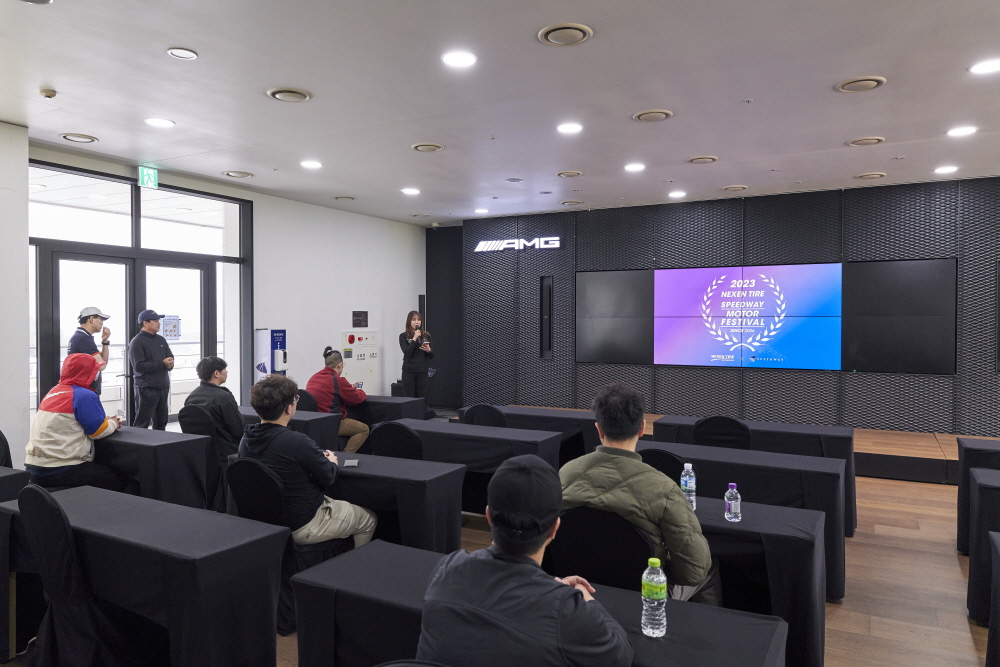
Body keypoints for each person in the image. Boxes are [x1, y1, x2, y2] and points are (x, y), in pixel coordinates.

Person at [416, 455, 633, 667]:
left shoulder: (447, 569)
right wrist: (584, 597)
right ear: (554, 529)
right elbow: (620, 655)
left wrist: (552, 590)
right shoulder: (566, 613)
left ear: (489, 516)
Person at [559, 382, 720, 604]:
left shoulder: (565, 474)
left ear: (599, 429)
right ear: (642, 428)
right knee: (709, 570)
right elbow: (693, 572)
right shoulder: (664, 488)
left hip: (578, 584)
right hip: (645, 594)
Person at [239, 374, 377, 546]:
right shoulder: (297, 442)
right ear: (289, 408)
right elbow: (328, 477)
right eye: (296, 399)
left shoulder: (246, 440)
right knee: (369, 519)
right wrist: (332, 462)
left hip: (264, 520)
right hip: (302, 523)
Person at [25, 353, 127, 492]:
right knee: (117, 479)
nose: (96, 376)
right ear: (87, 374)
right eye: (95, 372)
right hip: (60, 468)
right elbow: (98, 431)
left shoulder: (53, 392)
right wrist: (113, 423)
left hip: (34, 469)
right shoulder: (84, 395)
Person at [305, 347, 369, 453]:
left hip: (314, 422)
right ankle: (345, 456)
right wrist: (360, 391)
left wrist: (348, 387)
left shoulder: (314, 377)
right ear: (340, 365)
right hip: (330, 422)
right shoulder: (337, 380)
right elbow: (356, 398)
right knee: (363, 429)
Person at [184, 356, 245, 454]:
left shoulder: (191, 397)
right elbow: (238, 430)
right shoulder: (224, 397)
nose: (227, 372)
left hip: (200, 451)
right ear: (216, 373)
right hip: (226, 452)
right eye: (224, 369)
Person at [128, 309, 174, 430]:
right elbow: (139, 366)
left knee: (161, 422)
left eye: (159, 321)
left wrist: (170, 364)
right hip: (146, 388)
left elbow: (170, 358)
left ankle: (160, 443)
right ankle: (139, 443)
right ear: (145, 323)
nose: (159, 323)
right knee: (142, 423)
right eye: (155, 321)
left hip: (163, 386)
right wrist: (162, 363)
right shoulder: (137, 342)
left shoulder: (161, 340)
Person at [67, 306, 111, 395]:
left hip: (83, 389)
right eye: (101, 319)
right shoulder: (83, 339)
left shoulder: (81, 336)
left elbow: (103, 361)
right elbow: (102, 366)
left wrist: (105, 342)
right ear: (91, 319)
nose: (102, 323)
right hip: (85, 391)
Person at [399, 310, 433, 398]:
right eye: (414, 319)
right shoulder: (403, 336)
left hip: (422, 371)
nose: (417, 322)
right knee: (409, 398)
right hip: (409, 372)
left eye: (418, 319)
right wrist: (414, 338)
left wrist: (429, 350)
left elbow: (431, 356)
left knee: (421, 398)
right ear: (409, 321)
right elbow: (407, 352)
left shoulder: (426, 336)